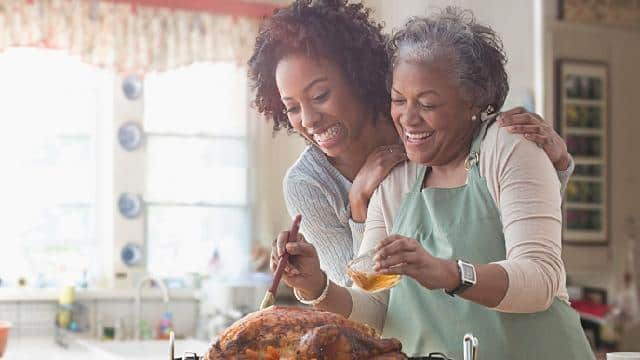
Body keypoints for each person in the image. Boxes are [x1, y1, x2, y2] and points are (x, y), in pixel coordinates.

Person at [269, 6, 594, 359]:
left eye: (427, 103)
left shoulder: (509, 146)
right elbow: (377, 308)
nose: (407, 118)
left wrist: (447, 273)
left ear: (472, 102)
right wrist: (315, 285)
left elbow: (540, 279)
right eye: (398, 99)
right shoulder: (395, 179)